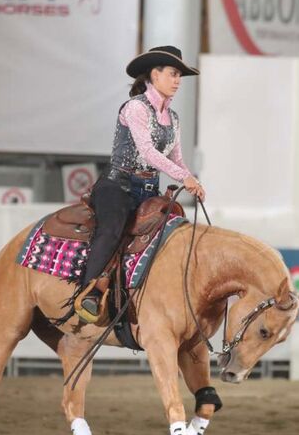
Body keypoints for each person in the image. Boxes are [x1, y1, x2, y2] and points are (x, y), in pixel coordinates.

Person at [76, 45, 206, 323]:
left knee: (172, 231)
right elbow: (147, 152)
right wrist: (184, 177)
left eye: (179, 75)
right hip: (117, 185)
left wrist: (193, 180)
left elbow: (177, 158)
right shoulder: (136, 107)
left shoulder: (173, 118)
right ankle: (90, 292)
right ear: (154, 75)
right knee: (112, 229)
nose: (177, 80)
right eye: (173, 73)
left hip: (147, 190)